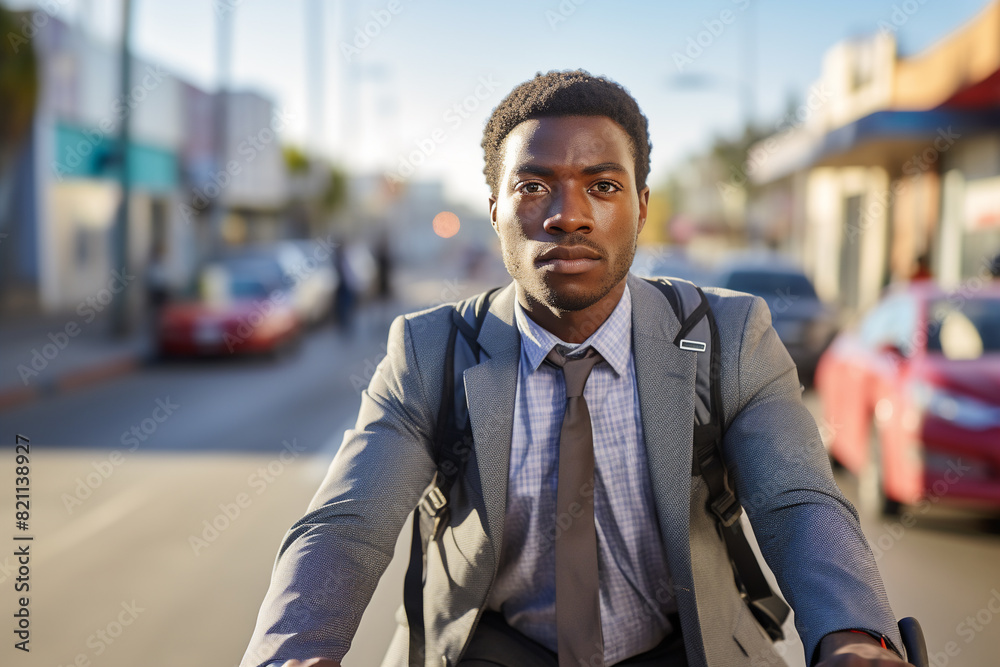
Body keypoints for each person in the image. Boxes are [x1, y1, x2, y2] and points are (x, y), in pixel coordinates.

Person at [240, 71, 909, 667]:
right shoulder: (428, 351)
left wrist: (855, 635)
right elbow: (347, 521)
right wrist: (292, 649)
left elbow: (797, 501)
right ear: (496, 207)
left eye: (603, 185)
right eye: (534, 186)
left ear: (642, 206)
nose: (568, 215)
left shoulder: (728, 336)